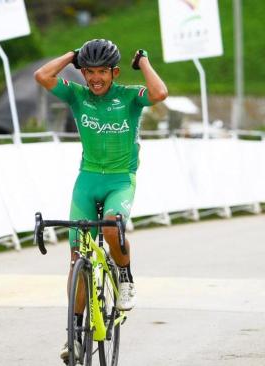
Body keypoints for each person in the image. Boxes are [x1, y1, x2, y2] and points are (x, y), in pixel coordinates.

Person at [34, 39, 167, 361]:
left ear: (114, 72)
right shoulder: (76, 94)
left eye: (102, 72)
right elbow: (42, 76)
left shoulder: (128, 96)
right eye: (89, 71)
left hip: (121, 180)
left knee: (110, 227)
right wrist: (71, 56)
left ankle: (124, 276)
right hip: (87, 180)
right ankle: (75, 335)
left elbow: (160, 93)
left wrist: (144, 63)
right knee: (77, 256)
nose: (95, 78)